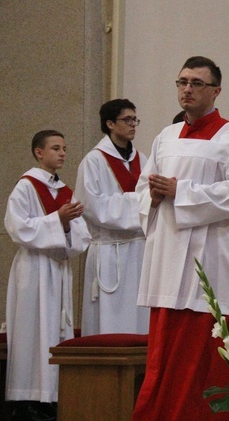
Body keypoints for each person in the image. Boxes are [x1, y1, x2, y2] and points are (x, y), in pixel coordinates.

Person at [133, 56, 229, 420]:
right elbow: (144, 189)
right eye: (182, 82)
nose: (187, 89)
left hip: (212, 260)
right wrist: (154, 196)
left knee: (204, 354)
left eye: (196, 83)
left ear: (216, 90)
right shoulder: (165, 136)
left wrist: (181, 191)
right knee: (165, 354)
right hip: (168, 258)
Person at [4, 130, 90, 420]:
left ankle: (52, 395)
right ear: (39, 153)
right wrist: (57, 220)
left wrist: (65, 226)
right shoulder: (26, 187)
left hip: (58, 267)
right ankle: (27, 398)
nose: (63, 153)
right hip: (34, 268)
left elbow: (81, 234)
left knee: (55, 331)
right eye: (55, 148)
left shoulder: (65, 191)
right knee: (32, 331)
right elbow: (17, 227)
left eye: (64, 148)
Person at [76, 99, 149, 336]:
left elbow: (152, 200)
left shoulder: (143, 160)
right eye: (127, 119)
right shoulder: (94, 161)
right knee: (110, 321)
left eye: (134, 119)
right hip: (109, 251)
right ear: (109, 124)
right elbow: (93, 206)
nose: (133, 125)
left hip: (139, 250)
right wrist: (138, 203)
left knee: (141, 317)